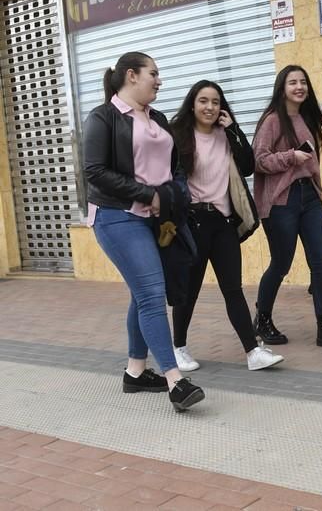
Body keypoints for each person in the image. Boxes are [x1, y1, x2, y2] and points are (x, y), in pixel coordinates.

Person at [82, 52, 205, 411]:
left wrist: (172, 195)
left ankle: (135, 372)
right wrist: (147, 194)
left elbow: (176, 167)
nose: (160, 80)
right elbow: (95, 171)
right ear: (132, 76)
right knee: (152, 294)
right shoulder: (103, 117)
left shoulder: (159, 119)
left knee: (143, 294)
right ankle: (175, 381)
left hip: (156, 219)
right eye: (154, 73)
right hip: (116, 217)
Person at [169, 80, 285, 371]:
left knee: (232, 289)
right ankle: (178, 347)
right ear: (192, 104)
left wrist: (233, 128)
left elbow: (248, 166)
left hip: (222, 223)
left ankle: (252, 352)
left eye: (215, 102)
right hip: (193, 221)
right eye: (203, 101)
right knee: (189, 290)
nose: (210, 107)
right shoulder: (179, 135)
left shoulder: (225, 134)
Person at [251, 65, 322, 350]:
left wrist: (316, 188)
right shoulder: (272, 120)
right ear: (281, 88)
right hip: (282, 201)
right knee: (281, 264)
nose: (299, 87)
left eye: (303, 82)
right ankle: (262, 319)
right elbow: (258, 160)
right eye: (292, 82)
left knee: (320, 263)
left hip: (309, 197)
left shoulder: (308, 117)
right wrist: (290, 157)